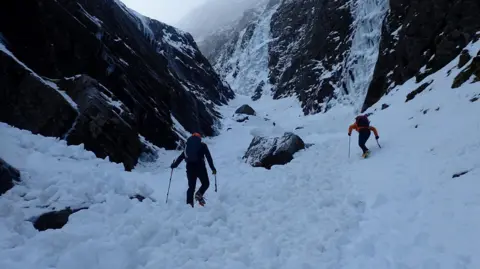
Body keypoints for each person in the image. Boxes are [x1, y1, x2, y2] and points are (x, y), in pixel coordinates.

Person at [171, 133, 217, 207]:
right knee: (205, 183)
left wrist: (174, 165)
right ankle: (199, 194)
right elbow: (209, 157)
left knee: (191, 187)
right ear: (199, 138)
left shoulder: (188, 146)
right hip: (200, 167)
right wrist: (213, 169)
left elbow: (181, 157)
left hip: (190, 168)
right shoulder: (203, 145)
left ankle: (189, 205)